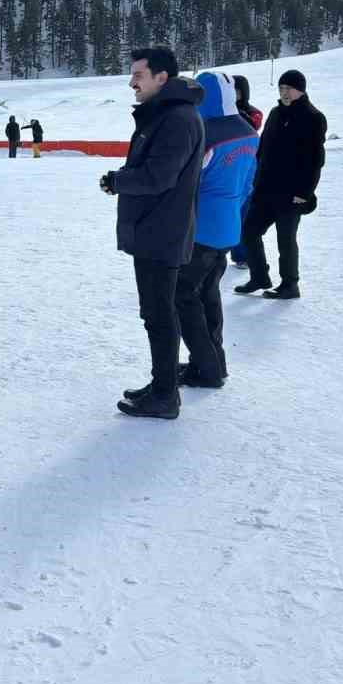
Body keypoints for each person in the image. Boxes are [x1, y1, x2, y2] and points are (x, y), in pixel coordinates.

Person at [99, 47, 203, 420]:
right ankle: (163, 384)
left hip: (162, 232)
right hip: (156, 229)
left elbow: (159, 176)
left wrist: (118, 181)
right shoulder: (165, 114)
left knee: (159, 315)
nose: (132, 83)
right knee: (156, 313)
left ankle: (164, 396)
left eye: (138, 75)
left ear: (162, 77)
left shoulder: (177, 119)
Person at [175, 74, 258, 388]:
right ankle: (214, 361)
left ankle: (207, 368)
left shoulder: (205, 133)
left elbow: (186, 184)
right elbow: (249, 182)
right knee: (208, 293)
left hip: (201, 229)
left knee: (182, 295)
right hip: (229, 226)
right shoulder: (248, 131)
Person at [235, 70, 326, 300]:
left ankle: (290, 284)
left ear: (300, 90)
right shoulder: (276, 113)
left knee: (285, 239)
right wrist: (255, 179)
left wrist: (304, 192)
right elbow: (262, 149)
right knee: (248, 231)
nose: (284, 92)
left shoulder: (313, 117)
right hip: (265, 189)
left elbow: (315, 160)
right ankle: (259, 277)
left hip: (292, 192)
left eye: (289, 88)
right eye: (281, 88)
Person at [228, 76, 263, 268]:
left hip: (246, 167)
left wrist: (236, 114)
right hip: (228, 165)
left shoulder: (251, 113)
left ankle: (241, 254)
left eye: (237, 91)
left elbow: (253, 124)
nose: (234, 95)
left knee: (243, 213)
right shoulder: (223, 110)